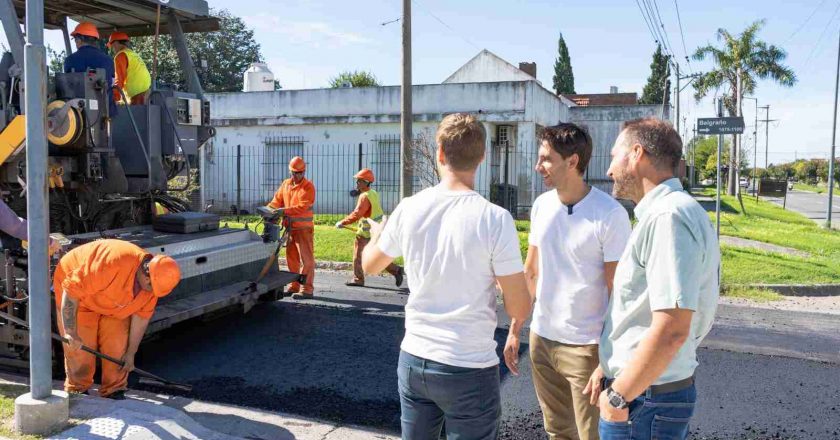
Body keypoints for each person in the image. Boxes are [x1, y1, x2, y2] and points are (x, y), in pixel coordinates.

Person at [362, 113, 532, 440]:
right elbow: (520, 307)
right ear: (482, 157)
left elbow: (371, 265)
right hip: (469, 367)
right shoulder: (495, 219)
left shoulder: (410, 208)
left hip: (415, 358)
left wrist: (376, 235)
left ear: (439, 153)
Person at [594, 118, 719, 440]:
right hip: (645, 391)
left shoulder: (668, 218)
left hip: (644, 400)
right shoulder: (669, 213)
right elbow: (642, 312)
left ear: (636, 154)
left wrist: (618, 395)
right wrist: (611, 366)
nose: (609, 170)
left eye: (613, 156)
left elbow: (672, 329)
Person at [526, 123, 631, 440]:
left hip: (586, 348)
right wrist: (518, 327)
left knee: (591, 434)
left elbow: (619, 293)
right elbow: (531, 270)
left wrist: (607, 358)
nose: (538, 166)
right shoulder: (542, 206)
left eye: (546, 158)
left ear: (572, 161)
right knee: (557, 431)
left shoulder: (609, 215)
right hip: (541, 341)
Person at [54, 239, 181, 399]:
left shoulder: (152, 286)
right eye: (152, 289)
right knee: (80, 347)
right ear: (147, 278)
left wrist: (130, 354)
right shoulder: (113, 262)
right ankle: (77, 389)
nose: (152, 294)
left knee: (117, 346)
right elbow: (71, 291)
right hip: (78, 294)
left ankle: (114, 390)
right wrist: (71, 332)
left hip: (113, 301)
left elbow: (141, 319)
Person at [335, 168, 404, 287]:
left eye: (359, 181)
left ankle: (358, 279)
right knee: (376, 255)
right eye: (357, 181)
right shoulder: (373, 193)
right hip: (377, 230)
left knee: (358, 255)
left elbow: (357, 214)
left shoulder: (364, 196)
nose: (357, 183)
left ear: (366, 182)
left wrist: (343, 222)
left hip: (365, 232)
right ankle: (396, 270)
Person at [267, 156, 316, 298]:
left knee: (307, 260)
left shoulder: (308, 187)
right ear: (290, 172)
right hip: (290, 228)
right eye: (294, 172)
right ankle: (294, 285)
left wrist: (284, 211)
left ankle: (307, 289)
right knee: (292, 258)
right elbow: (276, 200)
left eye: (299, 173)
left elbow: (302, 206)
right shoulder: (286, 184)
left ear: (304, 172)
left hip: (303, 229)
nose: (297, 175)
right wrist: (269, 210)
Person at [63, 22, 115, 114]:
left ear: (79, 40)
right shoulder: (108, 60)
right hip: (106, 113)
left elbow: (67, 88)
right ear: (95, 41)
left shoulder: (70, 60)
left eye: (75, 39)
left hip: (78, 116)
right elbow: (112, 85)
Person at [107, 32, 152, 105]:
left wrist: (115, 97)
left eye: (112, 46)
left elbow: (119, 79)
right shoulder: (132, 54)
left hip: (137, 94)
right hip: (146, 92)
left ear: (115, 43)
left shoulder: (121, 55)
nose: (112, 49)